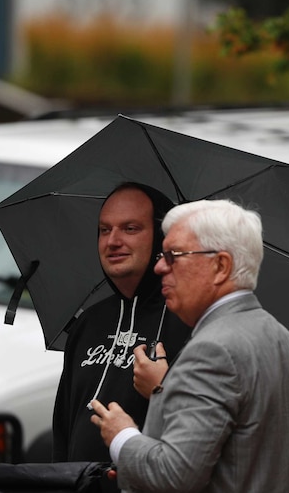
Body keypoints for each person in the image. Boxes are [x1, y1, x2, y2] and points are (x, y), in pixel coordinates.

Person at [90, 199, 289, 493]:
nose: (160, 266)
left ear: (220, 266)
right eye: (163, 256)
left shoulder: (213, 350)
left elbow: (176, 474)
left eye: (174, 256)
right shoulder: (284, 338)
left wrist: (122, 437)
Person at [52, 184, 191, 475]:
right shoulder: (89, 322)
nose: (112, 241)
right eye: (104, 230)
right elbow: (63, 429)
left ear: (161, 239)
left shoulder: (188, 322)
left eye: (130, 228)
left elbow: (198, 434)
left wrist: (162, 387)